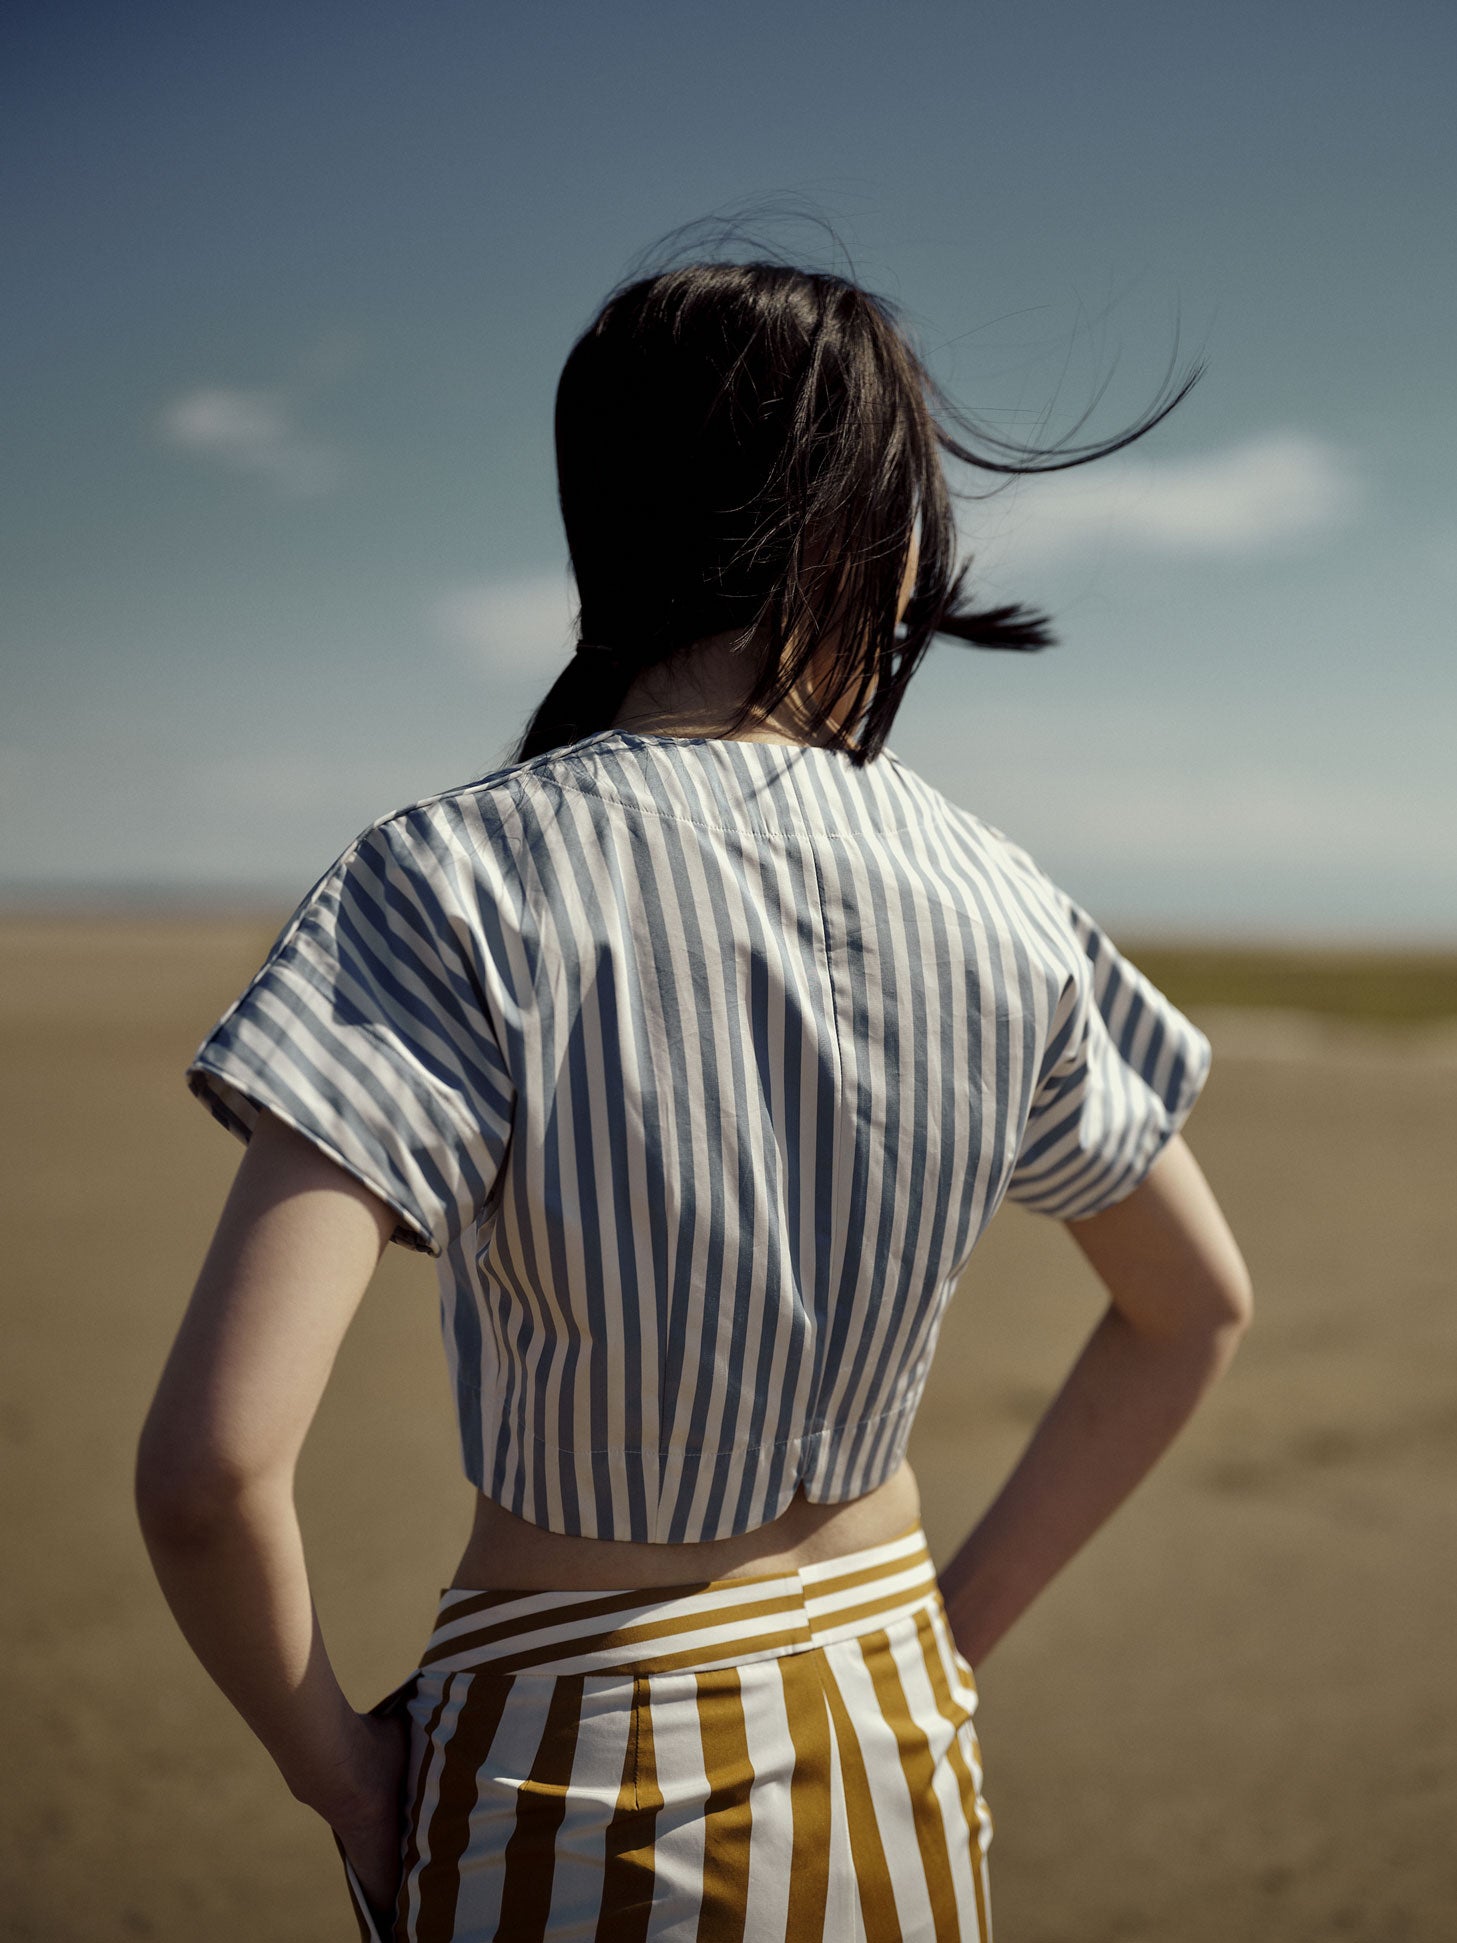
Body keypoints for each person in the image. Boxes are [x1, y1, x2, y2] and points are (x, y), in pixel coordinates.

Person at [136, 258, 1253, 1943]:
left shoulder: (449, 883)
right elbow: (1192, 1311)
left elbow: (210, 1475)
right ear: (874, 538)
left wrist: (345, 1781)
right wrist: (948, 1639)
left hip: (564, 1771)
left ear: (608, 523)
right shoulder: (1001, 897)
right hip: (894, 1757)